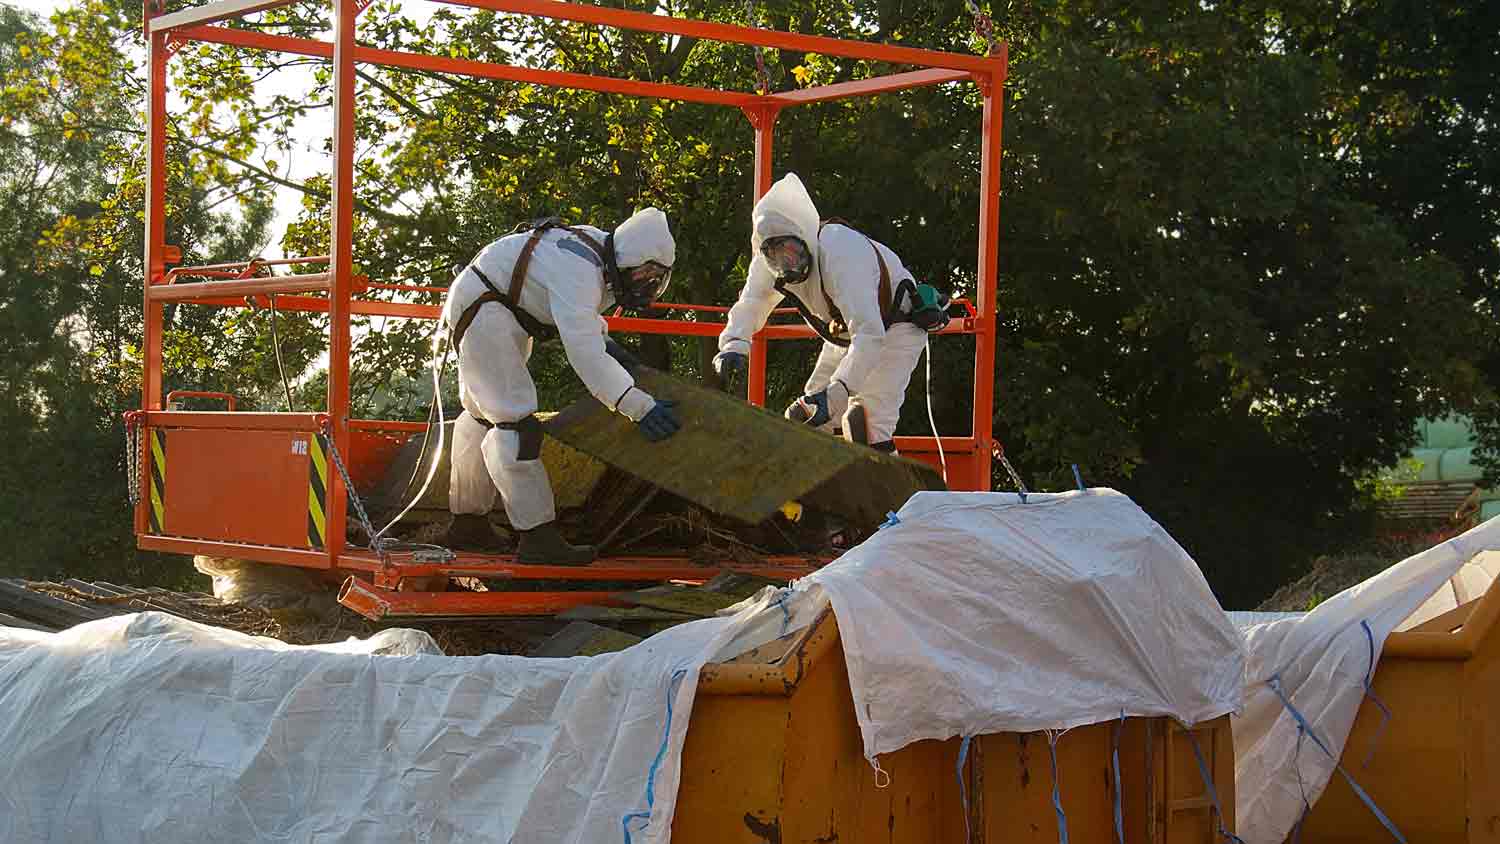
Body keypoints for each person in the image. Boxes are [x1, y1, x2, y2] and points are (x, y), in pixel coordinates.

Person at [440, 208, 681, 564]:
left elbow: (583, 318)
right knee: (515, 425)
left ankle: (467, 523)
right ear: (627, 261)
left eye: (655, 278)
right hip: (486, 310)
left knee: (480, 415)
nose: (647, 285)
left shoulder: (598, 251)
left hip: (489, 305)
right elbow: (584, 353)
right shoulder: (580, 271)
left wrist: (614, 352)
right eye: (644, 275)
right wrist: (638, 406)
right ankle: (537, 539)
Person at [712, 173, 948, 453]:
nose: (786, 263)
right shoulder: (767, 263)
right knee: (808, 419)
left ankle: (897, 496)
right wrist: (734, 344)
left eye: (790, 251)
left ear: (805, 238)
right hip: (845, 335)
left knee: (868, 427)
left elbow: (869, 333)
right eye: (775, 256)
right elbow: (752, 302)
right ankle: (816, 496)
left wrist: (839, 390)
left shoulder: (840, 253)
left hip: (895, 326)